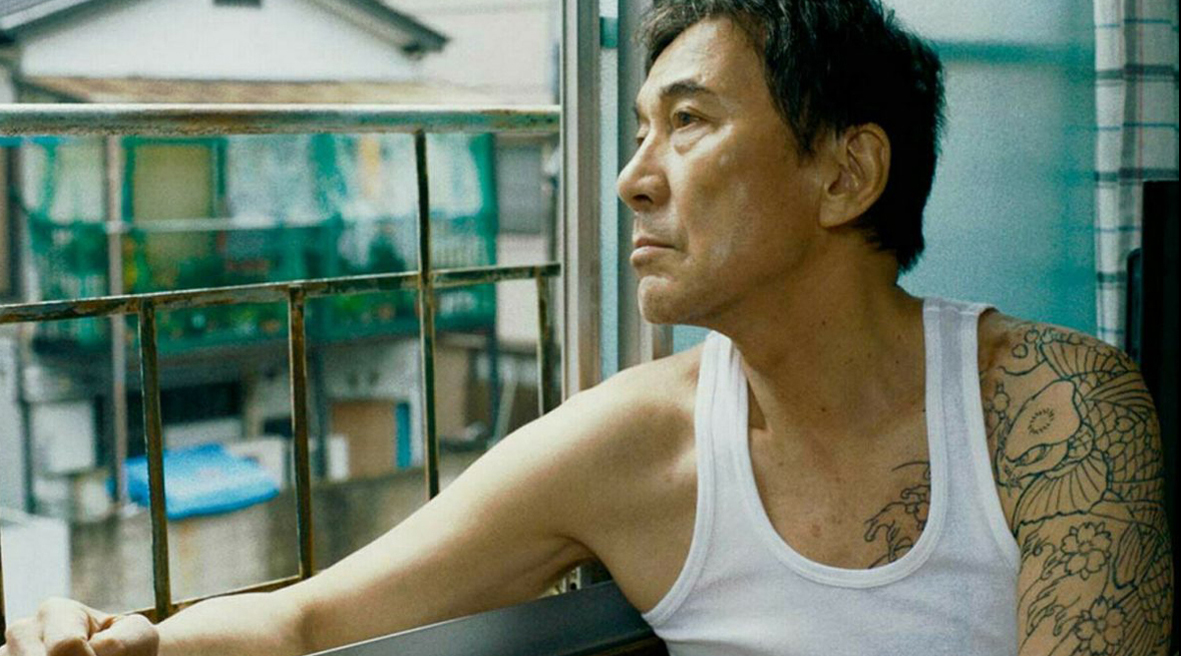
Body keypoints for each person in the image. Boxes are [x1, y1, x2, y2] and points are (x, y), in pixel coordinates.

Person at [4, 1, 1172, 654]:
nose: (629, 177)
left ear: (843, 172)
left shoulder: (1051, 405)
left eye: (689, 122)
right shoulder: (633, 445)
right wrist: (120, 641)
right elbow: (311, 612)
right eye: (637, 129)